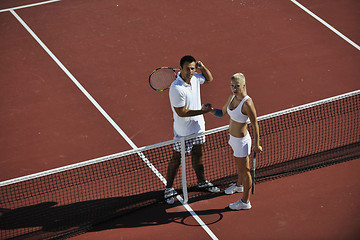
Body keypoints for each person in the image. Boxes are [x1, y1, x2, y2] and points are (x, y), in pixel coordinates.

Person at [164, 55, 220, 204]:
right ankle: (169, 188)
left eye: (193, 68)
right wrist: (203, 111)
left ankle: (201, 182)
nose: (190, 71)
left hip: (198, 128)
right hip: (182, 133)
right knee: (176, 160)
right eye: (187, 68)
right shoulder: (176, 88)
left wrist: (202, 67)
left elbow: (209, 79)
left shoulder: (195, 78)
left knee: (198, 155)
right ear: (180, 69)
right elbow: (181, 112)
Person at [210, 73, 262, 210]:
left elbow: (255, 124)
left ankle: (245, 202)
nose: (234, 88)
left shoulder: (247, 103)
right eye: (232, 86)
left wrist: (257, 144)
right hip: (232, 139)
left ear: (244, 85)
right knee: (240, 168)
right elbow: (221, 112)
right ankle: (239, 186)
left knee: (245, 171)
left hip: (242, 142)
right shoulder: (231, 97)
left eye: (237, 86)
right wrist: (210, 110)